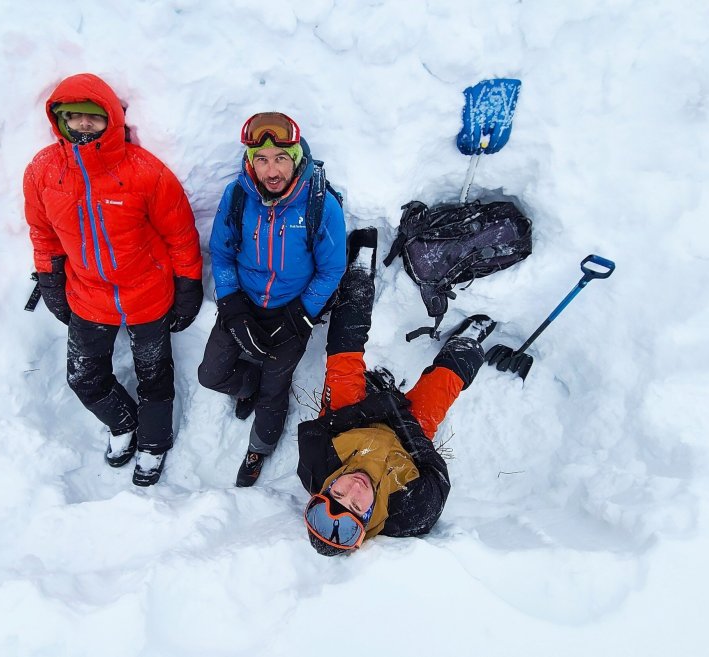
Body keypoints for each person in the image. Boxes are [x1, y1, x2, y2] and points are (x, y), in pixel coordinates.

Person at [23, 73, 203, 487]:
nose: (84, 124)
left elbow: (180, 234)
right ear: (60, 120)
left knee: (154, 377)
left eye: (94, 116)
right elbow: (43, 233)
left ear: (111, 119)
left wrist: (188, 285)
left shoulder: (144, 171)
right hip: (88, 296)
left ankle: (154, 443)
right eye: (75, 116)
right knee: (83, 377)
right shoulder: (42, 171)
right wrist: (50, 279)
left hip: (148, 295)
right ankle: (123, 424)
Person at [296, 227, 496, 554]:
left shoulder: (315, 466)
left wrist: (371, 408)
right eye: (357, 505)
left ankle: (359, 275)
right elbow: (436, 473)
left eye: (338, 494)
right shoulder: (409, 511)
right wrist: (403, 419)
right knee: (438, 391)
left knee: (342, 360)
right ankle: (467, 345)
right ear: (368, 518)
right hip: (407, 440)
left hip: (351, 420)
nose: (353, 489)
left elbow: (315, 431)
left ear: (327, 490)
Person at [198, 112, 347, 487]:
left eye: (281, 158)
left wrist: (300, 315)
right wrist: (231, 305)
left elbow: (332, 269)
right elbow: (222, 254)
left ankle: (258, 449)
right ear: (251, 161)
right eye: (261, 159)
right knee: (210, 375)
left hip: (292, 310)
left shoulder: (320, 205)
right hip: (244, 302)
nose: (271, 170)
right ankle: (247, 385)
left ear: (296, 159)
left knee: (274, 389)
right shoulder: (237, 196)